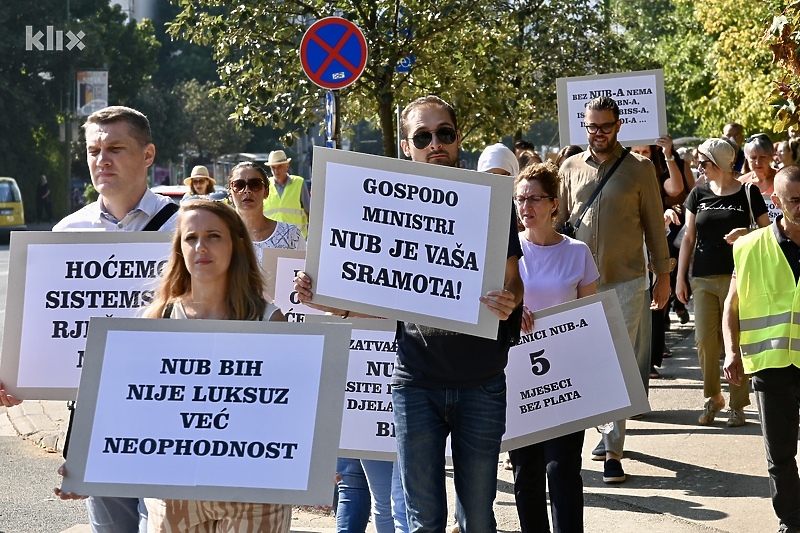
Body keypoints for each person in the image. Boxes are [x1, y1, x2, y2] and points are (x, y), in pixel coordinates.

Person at [296, 95, 523, 532]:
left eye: (444, 133)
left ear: (459, 138)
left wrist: (510, 298)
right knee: (423, 521)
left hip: (482, 383)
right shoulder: (389, 207)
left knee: (478, 518)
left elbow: (514, 280)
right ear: (406, 146)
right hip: (415, 383)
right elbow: (361, 296)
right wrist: (317, 293)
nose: (435, 143)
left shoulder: (492, 202)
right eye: (423, 136)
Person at [51, 106, 179, 533]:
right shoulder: (67, 232)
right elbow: (50, 326)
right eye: (93, 150)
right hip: (100, 408)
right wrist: (18, 378)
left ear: (147, 155)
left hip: (172, 406)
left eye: (115, 148)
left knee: (161, 524)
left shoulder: (186, 229)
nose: (101, 160)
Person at [140, 199, 291, 533]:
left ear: (236, 244)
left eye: (213, 236)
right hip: (175, 491)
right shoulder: (159, 318)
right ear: (179, 248)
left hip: (255, 493)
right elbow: (134, 407)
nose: (200, 246)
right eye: (190, 238)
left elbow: (292, 406)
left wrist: (314, 460)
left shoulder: (270, 319)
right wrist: (87, 465)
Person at [557, 96, 671, 484]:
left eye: (605, 126)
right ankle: (603, 427)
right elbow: (557, 224)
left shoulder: (639, 169)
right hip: (578, 282)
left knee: (617, 363)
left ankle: (614, 450)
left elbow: (655, 226)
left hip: (626, 280)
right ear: (584, 126)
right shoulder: (569, 168)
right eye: (592, 126)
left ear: (619, 126)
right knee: (585, 361)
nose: (598, 133)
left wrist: (665, 275)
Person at [510, 161, 598, 533]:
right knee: (525, 472)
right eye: (519, 199)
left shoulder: (577, 252)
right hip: (516, 377)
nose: (525, 207)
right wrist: (513, 308)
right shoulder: (506, 252)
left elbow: (590, 318)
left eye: (533, 199)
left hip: (565, 377)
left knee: (562, 469)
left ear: (553, 204)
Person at [723, 165, 800, 533]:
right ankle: (791, 519)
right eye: (794, 200)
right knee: (780, 456)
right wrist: (731, 352)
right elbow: (732, 306)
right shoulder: (750, 246)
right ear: (776, 201)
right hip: (770, 365)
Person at [676, 138, 769, 428]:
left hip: (740, 276)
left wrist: (747, 231)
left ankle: (738, 404)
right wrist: (680, 277)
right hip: (702, 276)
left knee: (738, 341)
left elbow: (767, 233)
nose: (698, 167)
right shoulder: (698, 193)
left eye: (702, 162)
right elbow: (689, 237)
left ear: (718, 162)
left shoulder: (749, 192)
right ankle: (714, 396)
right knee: (704, 340)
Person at [227, 161, 305, 263]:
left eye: (255, 184)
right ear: (230, 193)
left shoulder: (291, 235)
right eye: (238, 185)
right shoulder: (219, 236)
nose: (247, 190)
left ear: (266, 192)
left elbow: (307, 272)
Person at [262, 150, 311, 238]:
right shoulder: (265, 186)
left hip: (296, 239)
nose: (276, 171)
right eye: (273, 167)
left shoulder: (299, 183)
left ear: (287, 166)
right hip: (273, 240)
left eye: (279, 167)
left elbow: (309, 212)